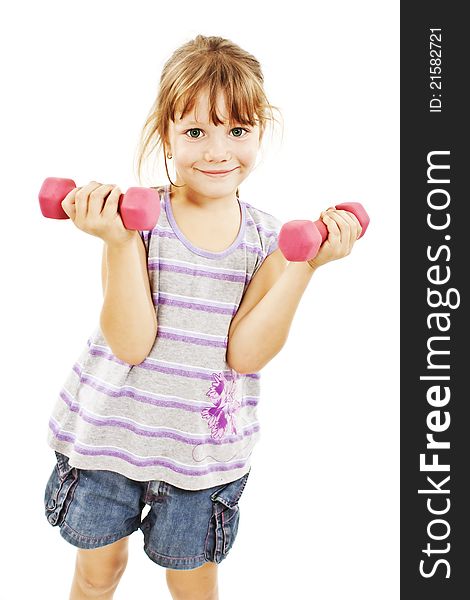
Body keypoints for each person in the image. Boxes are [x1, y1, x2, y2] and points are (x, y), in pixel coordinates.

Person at [43, 34, 362, 600]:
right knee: (97, 576)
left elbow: (246, 355)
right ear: (165, 132)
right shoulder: (136, 220)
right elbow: (131, 342)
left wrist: (303, 269)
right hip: (109, 440)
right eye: (195, 132)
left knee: (193, 586)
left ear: (261, 129)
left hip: (200, 458)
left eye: (237, 131)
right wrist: (117, 242)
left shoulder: (270, 241)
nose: (217, 151)